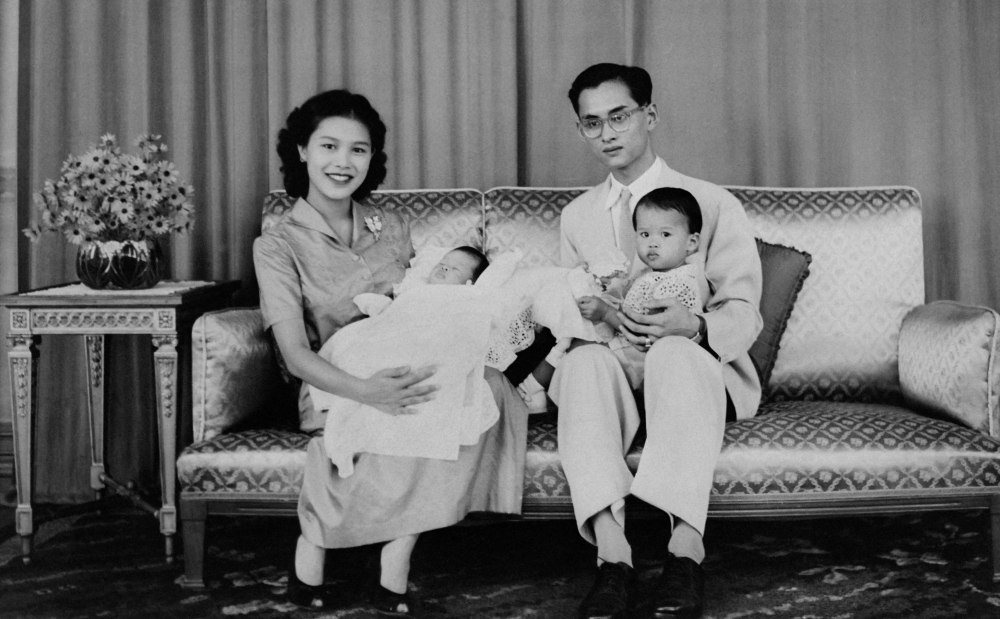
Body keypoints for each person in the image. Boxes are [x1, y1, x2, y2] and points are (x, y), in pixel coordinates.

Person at [253, 89, 530, 615]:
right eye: (329, 146)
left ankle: (398, 548)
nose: (343, 162)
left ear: (372, 159)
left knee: (486, 388)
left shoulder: (393, 226)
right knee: (429, 400)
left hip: (410, 364)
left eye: (358, 150)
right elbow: (293, 354)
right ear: (302, 152)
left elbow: (425, 306)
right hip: (336, 384)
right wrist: (367, 391)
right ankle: (315, 538)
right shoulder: (278, 244)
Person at [553, 63, 763, 619]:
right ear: (580, 130)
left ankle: (685, 549)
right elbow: (571, 310)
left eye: (619, 116)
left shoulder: (712, 203)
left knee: (674, 351)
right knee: (582, 365)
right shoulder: (576, 218)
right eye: (591, 123)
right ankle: (612, 553)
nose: (607, 133)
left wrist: (694, 326)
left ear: (650, 115)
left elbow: (743, 309)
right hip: (616, 374)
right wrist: (589, 315)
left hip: (692, 369)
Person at [575, 187, 706, 390]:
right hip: (635, 353)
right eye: (644, 234)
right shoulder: (651, 274)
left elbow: (645, 336)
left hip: (644, 364)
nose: (652, 243)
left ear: (691, 243)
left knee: (580, 351)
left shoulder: (675, 283)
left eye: (665, 234)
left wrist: (606, 312)